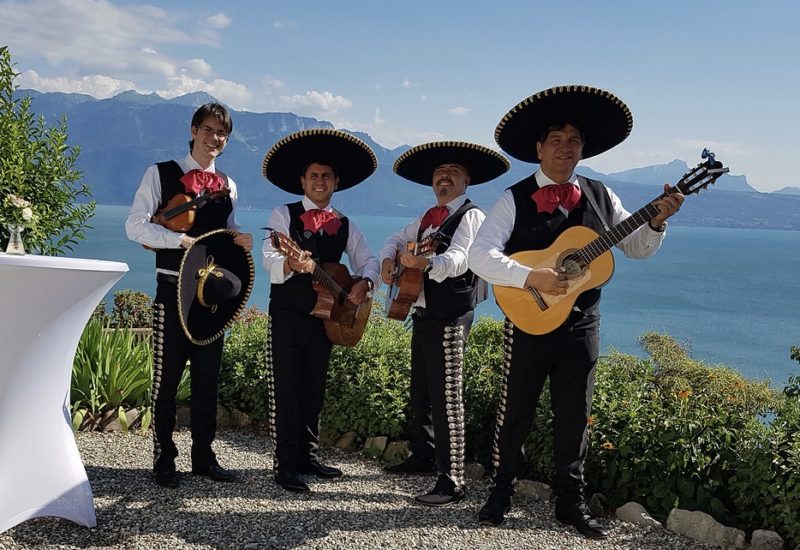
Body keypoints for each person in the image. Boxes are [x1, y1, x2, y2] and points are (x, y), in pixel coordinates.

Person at [469, 85, 685, 537]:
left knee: (575, 415)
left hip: (582, 323)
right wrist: (532, 277)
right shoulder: (513, 197)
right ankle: (500, 494)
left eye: (574, 141)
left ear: (582, 149)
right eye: (556, 140)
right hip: (528, 321)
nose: (565, 148)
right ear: (539, 148)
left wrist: (659, 220)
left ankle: (570, 502)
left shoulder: (602, 196)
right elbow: (479, 256)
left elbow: (637, 247)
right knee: (516, 412)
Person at [126, 102, 254, 488]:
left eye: (222, 134)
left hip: (210, 298)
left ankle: (204, 458)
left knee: (206, 381)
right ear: (194, 129)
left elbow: (224, 236)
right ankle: (164, 460)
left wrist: (241, 239)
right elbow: (134, 226)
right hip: (171, 291)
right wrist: (176, 239)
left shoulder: (228, 185)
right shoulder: (161, 173)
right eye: (210, 130)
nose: (215, 139)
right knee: (165, 382)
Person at [379, 141, 509, 506]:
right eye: (439, 173)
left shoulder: (471, 216)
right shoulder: (425, 218)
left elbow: (460, 261)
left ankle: (453, 480)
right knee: (421, 391)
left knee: (447, 397)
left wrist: (426, 265)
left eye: (452, 171)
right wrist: (390, 258)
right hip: (424, 313)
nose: (444, 177)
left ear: (467, 179)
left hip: (451, 316)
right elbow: (395, 238)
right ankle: (423, 457)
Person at [261, 128, 380, 493]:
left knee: (314, 388)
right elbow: (269, 258)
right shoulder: (283, 215)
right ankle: (285, 465)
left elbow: (369, 261)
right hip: (287, 315)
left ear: (336, 182)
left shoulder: (346, 225)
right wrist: (293, 265)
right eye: (313, 175)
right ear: (302, 180)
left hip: (326, 320)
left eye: (326, 176)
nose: (319, 181)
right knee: (287, 388)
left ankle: (308, 457)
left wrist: (365, 284)